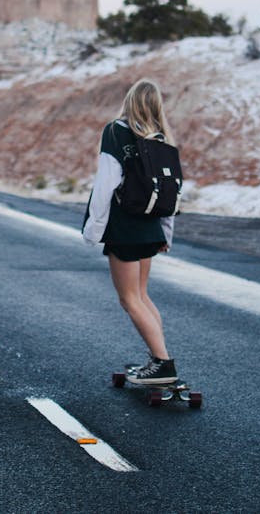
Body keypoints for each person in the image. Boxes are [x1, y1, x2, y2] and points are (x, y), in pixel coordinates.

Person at [82, 78, 178, 384]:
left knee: (129, 299)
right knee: (142, 295)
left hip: (124, 228)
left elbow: (106, 184)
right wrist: (166, 234)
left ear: (130, 101)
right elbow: (172, 192)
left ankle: (162, 362)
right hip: (150, 227)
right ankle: (157, 359)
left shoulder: (115, 131)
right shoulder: (161, 139)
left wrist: (93, 229)